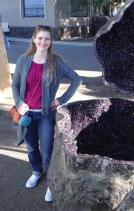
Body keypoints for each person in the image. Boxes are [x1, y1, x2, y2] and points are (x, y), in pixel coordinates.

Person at [11, 25, 82, 202]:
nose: (43, 42)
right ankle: (36, 171)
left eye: (47, 39)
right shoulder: (23, 61)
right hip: (27, 116)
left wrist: (62, 99)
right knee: (32, 147)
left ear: (51, 41)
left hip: (44, 116)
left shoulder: (55, 62)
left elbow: (76, 79)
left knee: (47, 151)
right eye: (40, 38)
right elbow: (15, 84)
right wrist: (19, 103)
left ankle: (51, 182)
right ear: (34, 39)